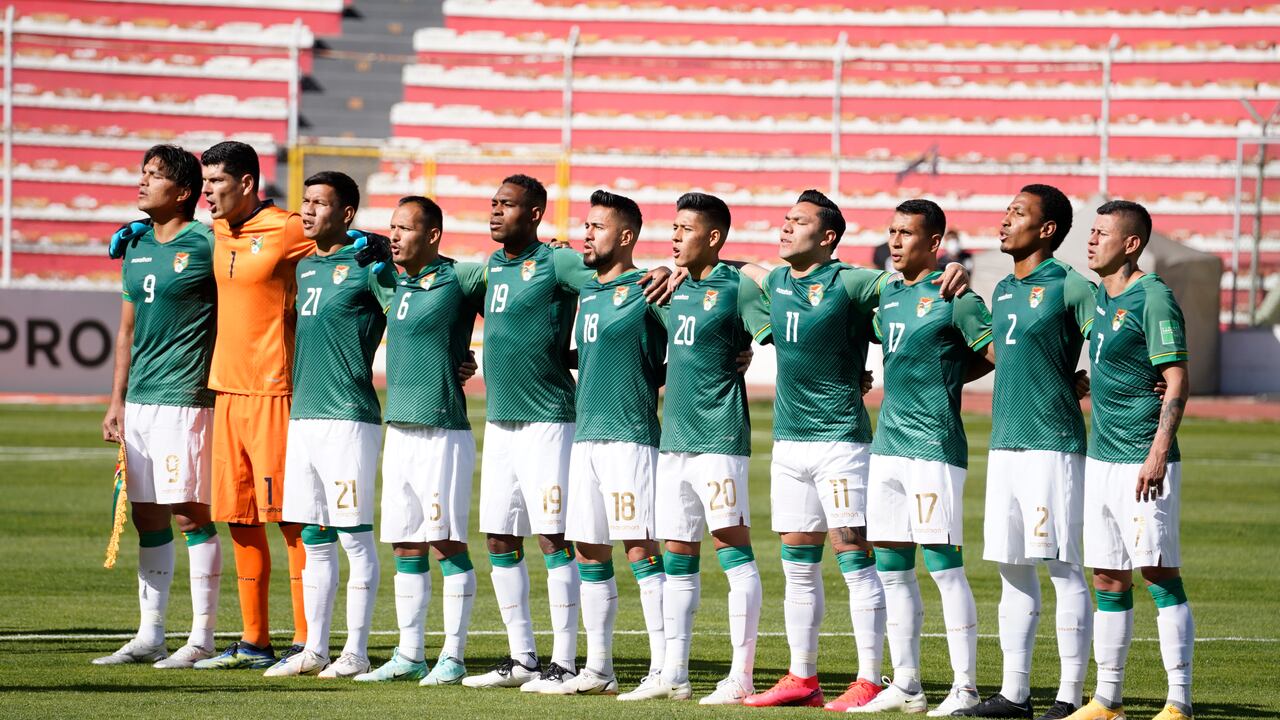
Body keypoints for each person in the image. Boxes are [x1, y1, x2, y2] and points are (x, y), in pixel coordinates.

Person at [744, 190, 970, 710]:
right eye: (784, 218)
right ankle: (803, 677)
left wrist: (952, 270)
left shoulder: (855, 281)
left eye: (797, 222)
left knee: (857, 562)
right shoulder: (776, 280)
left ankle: (870, 678)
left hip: (843, 441)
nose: (785, 227)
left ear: (826, 237)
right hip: (788, 442)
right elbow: (747, 268)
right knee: (797, 563)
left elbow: (910, 287)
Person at [465, 175, 671, 692]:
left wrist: (670, 273)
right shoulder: (491, 267)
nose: (495, 212)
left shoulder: (561, 263)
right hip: (500, 420)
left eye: (506, 205)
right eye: (493, 203)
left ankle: (570, 658)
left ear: (533, 213)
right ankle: (524, 659)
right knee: (499, 535)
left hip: (552, 420)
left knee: (560, 538)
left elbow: (658, 304)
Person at [622, 192, 771, 705]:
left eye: (686, 229)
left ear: (713, 237)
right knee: (678, 555)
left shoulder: (737, 286)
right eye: (674, 227)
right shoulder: (671, 289)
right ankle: (674, 672)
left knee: (733, 551)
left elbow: (776, 286)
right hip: (673, 441)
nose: (674, 236)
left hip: (720, 438)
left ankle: (741, 676)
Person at [852, 199, 995, 716]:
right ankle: (907, 683)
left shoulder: (955, 296)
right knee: (891, 566)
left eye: (906, 233)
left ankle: (965, 686)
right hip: (887, 445)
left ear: (934, 243)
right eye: (891, 231)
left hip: (933, 446)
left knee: (943, 565)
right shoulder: (887, 294)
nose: (894, 241)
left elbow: (1001, 352)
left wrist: (953, 376)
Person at [958, 184, 1095, 720]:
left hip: (1051, 446)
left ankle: (1069, 696)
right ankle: (1014, 695)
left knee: (1062, 568)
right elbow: (1003, 353)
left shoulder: (1070, 286)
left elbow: (1109, 339)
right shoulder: (1004, 291)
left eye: (1018, 213)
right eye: (1006, 210)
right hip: (1006, 446)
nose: (1004, 219)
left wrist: (1101, 382)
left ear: (1047, 230)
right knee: (1012, 568)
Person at [261, 171, 396, 679]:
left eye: (321, 202)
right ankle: (314, 647)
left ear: (347, 214)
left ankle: (355, 651)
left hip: (348, 419)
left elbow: (406, 315)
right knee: (313, 535)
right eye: (306, 201)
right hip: (304, 419)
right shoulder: (304, 267)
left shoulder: (367, 268)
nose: (310, 210)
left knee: (353, 535)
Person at [95, 144, 222, 669]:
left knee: (192, 515)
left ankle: (202, 638)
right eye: (142, 173)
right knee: (147, 516)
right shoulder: (137, 245)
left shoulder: (208, 242)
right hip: (141, 402)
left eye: (154, 175)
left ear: (184, 192)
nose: (141, 182)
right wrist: (115, 401)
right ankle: (151, 635)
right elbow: (125, 332)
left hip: (186, 398)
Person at [1068, 201, 1193, 720]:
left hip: (1143, 457)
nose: (1091, 240)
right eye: (1090, 232)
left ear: (1132, 243)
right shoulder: (1098, 296)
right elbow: (1117, 365)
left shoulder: (1154, 297)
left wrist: (1159, 451)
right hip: (1101, 459)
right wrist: (1086, 384)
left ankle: (1179, 701)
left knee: (1158, 572)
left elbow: (1178, 379)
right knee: (1108, 577)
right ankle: (1107, 699)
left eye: (1101, 233)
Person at [354, 195, 485, 686]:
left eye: (405, 229)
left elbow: (516, 296)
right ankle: (410, 655)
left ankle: (452, 656)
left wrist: (470, 353)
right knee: (406, 546)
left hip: (443, 431)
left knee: (446, 542)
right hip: (400, 430)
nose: (394, 236)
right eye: (391, 227)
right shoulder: (388, 279)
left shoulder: (462, 278)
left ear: (432, 235)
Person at [193, 141, 312, 670]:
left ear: (245, 183)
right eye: (204, 182)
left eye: (217, 181)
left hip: (274, 392)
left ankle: (308, 642)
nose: (207, 193)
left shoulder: (287, 227)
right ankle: (254, 641)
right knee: (239, 518)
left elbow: (339, 248)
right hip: (227, 391)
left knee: (289, 519)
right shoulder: (216, 230)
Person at [552, 190, 668, 697]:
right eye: (585, 225)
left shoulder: (652, 290)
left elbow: (703, 336)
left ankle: (666, 670)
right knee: (589, 551)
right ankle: (598, 669)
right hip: (587, 438)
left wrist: (738, 357)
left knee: (640, 548)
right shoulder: (590, 292)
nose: (586, 234)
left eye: (596, 227)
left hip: (630, 439)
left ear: (625, 237)